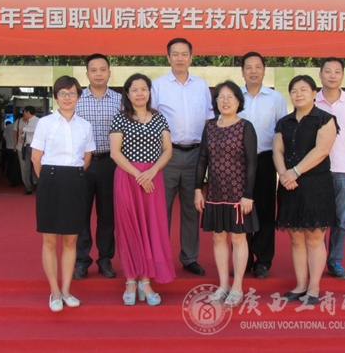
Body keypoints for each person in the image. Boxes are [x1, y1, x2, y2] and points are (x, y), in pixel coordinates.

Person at [30, 76, 95, 312]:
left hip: (75, 180)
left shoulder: (85, 126)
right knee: (49, 240)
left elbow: (87, 158)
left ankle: (66, 290)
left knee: (71, 240)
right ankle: (54, 292)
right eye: (62, 93)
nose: (67, 98)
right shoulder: (44, 123)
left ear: (79, 96)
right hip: (50, 179)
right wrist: (48, 180)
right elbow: (36, 158)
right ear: (56, 97)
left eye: (72, 93)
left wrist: (72, 176)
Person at [110, 73, 175, 306]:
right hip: (128, 177)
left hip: (153, 179)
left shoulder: (159, 118)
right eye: (135, 90)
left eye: (144, 89)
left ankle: (145, 280)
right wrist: (139, 175)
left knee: (151, 226)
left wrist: (153, 170)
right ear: (127, 94)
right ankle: (130, 279)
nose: (140, 93)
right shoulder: (120, 118)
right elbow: (115, 152)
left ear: (149, 92)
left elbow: (168, 149)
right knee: (129, 227)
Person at [151, 37, 214, 276]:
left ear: (191, 57)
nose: (180, 58)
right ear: (168, 57)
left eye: (184, 54)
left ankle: (189, 258)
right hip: (167, 155)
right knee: (162, 209)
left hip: (195, 155)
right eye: (175, 54)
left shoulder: (201, 85)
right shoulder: (158, 86)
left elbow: (208, 120)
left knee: (191, 208)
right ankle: (160, 258)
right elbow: (151, 119)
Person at [274, 75, 339, 305]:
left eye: (303, 89)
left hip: (315, 184)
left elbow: (321, 151)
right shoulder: (284, 122)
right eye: (294, 90)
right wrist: (284, 175)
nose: (298, 94)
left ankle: (314, 287)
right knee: (296, 238)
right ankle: (301, 284)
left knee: (314, 237)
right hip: (289, 186)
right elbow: (277, 151)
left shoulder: (325, 119)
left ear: (314, 93)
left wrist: (295, 172)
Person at [194, 81, 259, 308]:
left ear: (238, 101)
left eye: (230, 96)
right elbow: (202, 159)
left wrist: (248, 194)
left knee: (238, 238)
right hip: (214, 192)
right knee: (218, 237)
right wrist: (198, 190)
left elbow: (252, 162)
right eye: (221, 97)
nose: (225, 101)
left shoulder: (245, 127)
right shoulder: (211, 127)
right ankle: (223, 285)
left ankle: (237, 286)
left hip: (238, 194)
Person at [237, 52, 288, 279]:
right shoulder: (235, 96)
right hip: (238, 161)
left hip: (266, 159)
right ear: (242, 71)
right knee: (241, 210)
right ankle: (244, 258)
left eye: (258, 67)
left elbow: (282, 131)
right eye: (249, 67)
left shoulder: (275, 98)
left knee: (266, 210)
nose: (253, 71)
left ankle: (263, 261)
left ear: (264, 70)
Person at [73, 53, 122, 280]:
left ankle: (105, 260)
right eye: (94, 70)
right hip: (82, 164)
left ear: (109, 73)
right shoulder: (76, 100)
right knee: (80, 214)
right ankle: (81, 261)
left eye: (103, 69)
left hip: (111, 163)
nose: (99, 74)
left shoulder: (120, 101)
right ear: (87, 74)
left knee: (107, 215)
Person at [314, 57, 345, 280]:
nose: (332, 75)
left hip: (343, 168)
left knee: (339, 219)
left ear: (342, 75)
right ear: (320, 75)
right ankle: (317, 259)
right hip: (317, 169)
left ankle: (335, 260)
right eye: (328, 71)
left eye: (337, 71)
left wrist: (340, 151)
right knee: (318, 218)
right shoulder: (313, 100)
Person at [21, 106, 40, 195]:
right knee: (27, 167)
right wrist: (22, 137)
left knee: (35, 166)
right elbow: (26, 133)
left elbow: (35, 131)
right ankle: (28, 187)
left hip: (34, 146)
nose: (24, 114)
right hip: (27, 145)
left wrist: (24, 129)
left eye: (24, 112)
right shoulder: (28, 122)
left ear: (28, 112)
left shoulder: (37, 121)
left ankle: (36, 184)